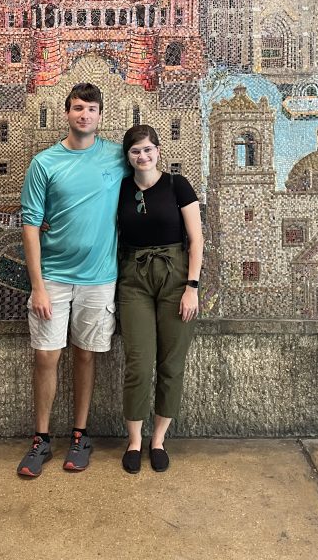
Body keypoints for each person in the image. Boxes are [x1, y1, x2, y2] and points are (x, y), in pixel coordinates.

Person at [17, 83, 130, 477]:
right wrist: (37, 286)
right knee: (46, 356)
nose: (84, 115)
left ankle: (80, 436)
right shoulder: (44, 163)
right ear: (66, 113)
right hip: (54, 277)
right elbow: (30, 225)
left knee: (86, 354)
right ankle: (41, 439)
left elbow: (151, 177)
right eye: (78, 108)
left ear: (101, 115)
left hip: (100, 278)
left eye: (92, 109)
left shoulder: (118, 156)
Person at [116, 124, 203, 474]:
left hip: (175, 278)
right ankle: (135, 439)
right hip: (133, 278)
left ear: (158, 151)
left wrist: (191, 287)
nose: (143, 156)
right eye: (136, 151)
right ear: (128, 156)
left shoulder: (176, 185)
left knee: (171, 363)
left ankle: (159, 440)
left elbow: (196, 239)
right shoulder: (120, 188)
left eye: (148, 149)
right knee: (138, 362)